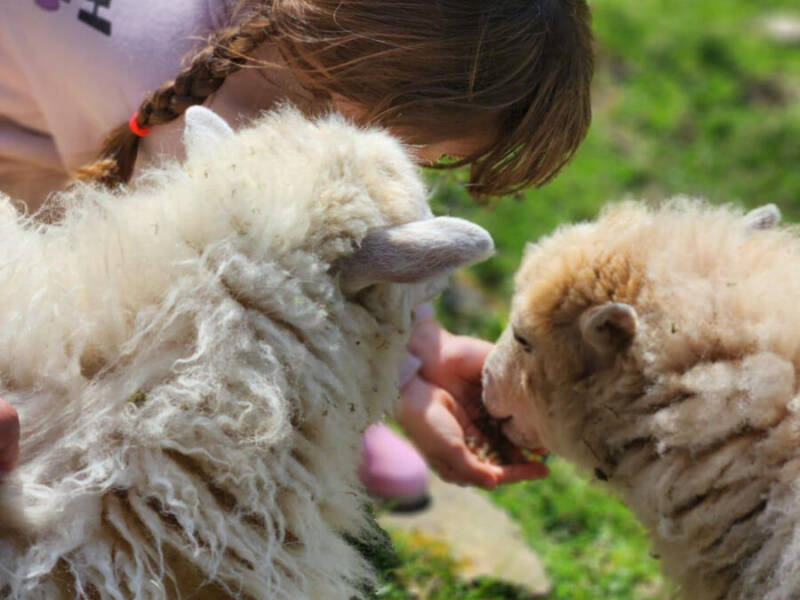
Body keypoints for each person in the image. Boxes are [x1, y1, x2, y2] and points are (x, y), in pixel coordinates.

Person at [0, 0, 593, 495]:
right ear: (364, 100)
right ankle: (292, 410)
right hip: (36, 158)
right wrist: (391, 379)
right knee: (194, 316)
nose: (425, 166)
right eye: (425, 152)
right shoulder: (174, 102)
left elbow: (339, 219)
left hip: (62, 123)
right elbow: (250, 271)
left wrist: (423, 351)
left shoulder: (284, 36)